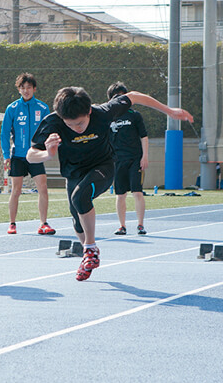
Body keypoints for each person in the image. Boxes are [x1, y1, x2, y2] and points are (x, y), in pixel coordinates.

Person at [27, 86, 193, 281]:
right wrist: (48, 153)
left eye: (80, 123)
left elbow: (134, 96)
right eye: (70, 125)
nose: (76, 128)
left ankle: (89, 249)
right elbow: (31, 156)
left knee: (80, 196)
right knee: (76, 215)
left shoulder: (104, 112)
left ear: (89, 111)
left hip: (103, 167)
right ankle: (91, 254)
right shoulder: (53, 122)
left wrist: (169, 111)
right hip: (74, 173)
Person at [1, 72, 54, 235]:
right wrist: (6, 156)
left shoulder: (43, 108)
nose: (26, 91)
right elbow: (4, 134)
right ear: (19, 90)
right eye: (22, 88)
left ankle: (43, 223)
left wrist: (47, 149)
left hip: (36, 156)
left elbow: (50, 130)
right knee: (16, 190)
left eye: (29, 88)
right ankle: (12, 224)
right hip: (17, 157)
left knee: (43, 189)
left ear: (34, 89)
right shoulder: (12, 108)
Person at [106, 82, 149, 235]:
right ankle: (122, 226)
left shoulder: (134, 115)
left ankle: (140, 225)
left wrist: (145, 156)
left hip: (135, 159)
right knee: (120, 194)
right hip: (118, 161)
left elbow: (144, 136)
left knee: (137, 192)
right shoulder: (108, 117)